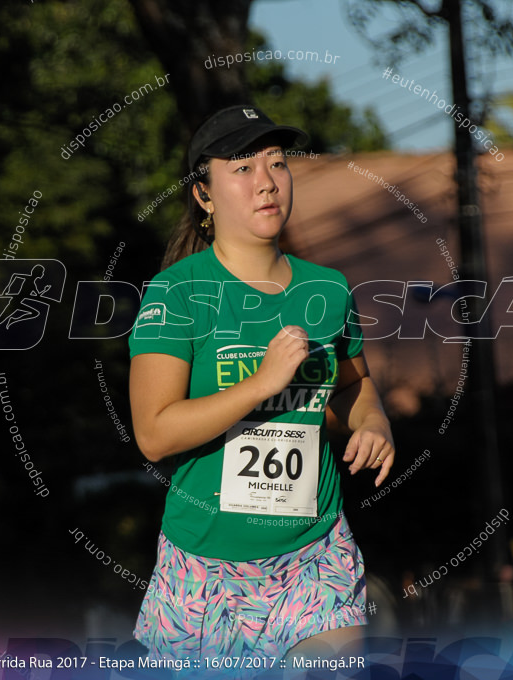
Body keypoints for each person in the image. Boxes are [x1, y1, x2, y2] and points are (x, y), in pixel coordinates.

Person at [128, 105, 395, 669]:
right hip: (204, 569)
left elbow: (353, 386)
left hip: (315, 558)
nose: (267, 182)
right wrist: (261, 384)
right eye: (243, 168)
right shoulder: (176, 294)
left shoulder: (327, 289)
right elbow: (154, 434)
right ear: (204, 195)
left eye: (276, 163)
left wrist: (373, 420)